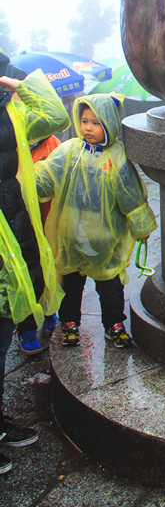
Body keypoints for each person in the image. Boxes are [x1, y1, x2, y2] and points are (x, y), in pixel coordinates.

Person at [34, 93, 157, 348]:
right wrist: (24, 173)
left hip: (105, 239)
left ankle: (113, 323)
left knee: (109, 286)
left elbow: (131, 197)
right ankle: (69, 323)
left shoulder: (118, 157)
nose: (88, 128)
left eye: (96, 122)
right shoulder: (69, 151)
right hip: (71, 236)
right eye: (84, 121)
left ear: (110, 124)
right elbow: (47, 176)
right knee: (71, 285)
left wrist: (141, 227)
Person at [0, 54, 70, 475]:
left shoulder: (11, 109)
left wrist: (18, 86)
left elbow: (55, 114)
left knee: (6, 320)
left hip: (13, 219)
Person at [15, 134, 62, 355]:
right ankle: (27, 326)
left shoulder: (52, 143)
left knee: (48, 269)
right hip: (19, 223)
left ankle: (49, 308)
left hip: (47, 222)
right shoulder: (11, 147)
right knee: (24, 274)